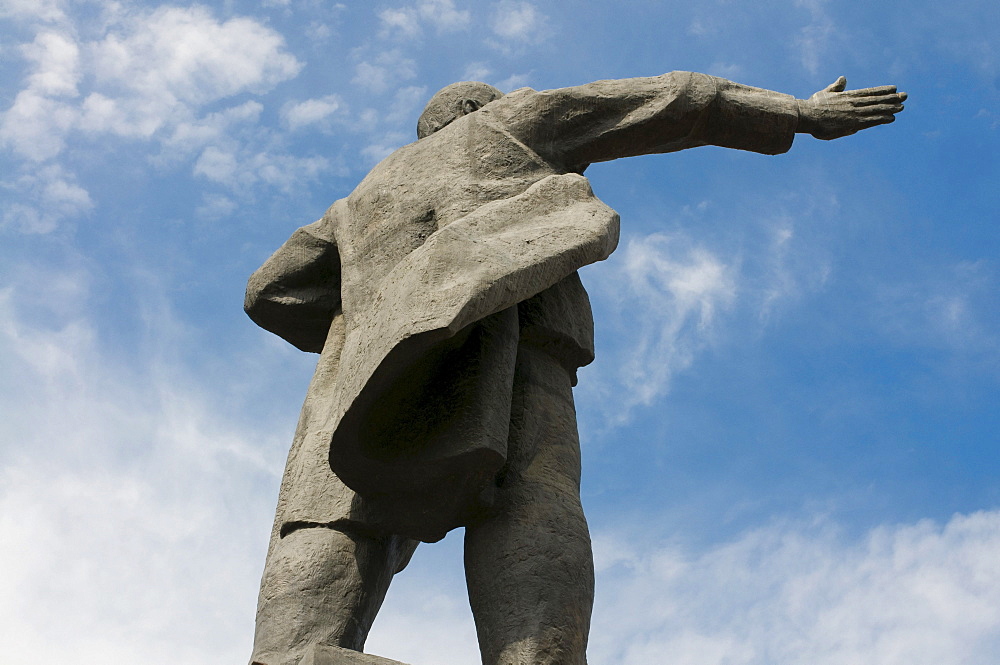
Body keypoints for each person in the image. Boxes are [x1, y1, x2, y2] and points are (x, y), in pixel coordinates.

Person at [245, 72, 905, 665]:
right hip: (515, 334)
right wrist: (793, 112)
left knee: (328, 535)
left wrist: (377, 319)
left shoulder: (364, 194)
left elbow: (269, 291)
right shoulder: (508, 124)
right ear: (480, 106)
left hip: (360, 374)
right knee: (528, 492)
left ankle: (298, 652)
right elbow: (667, 99)